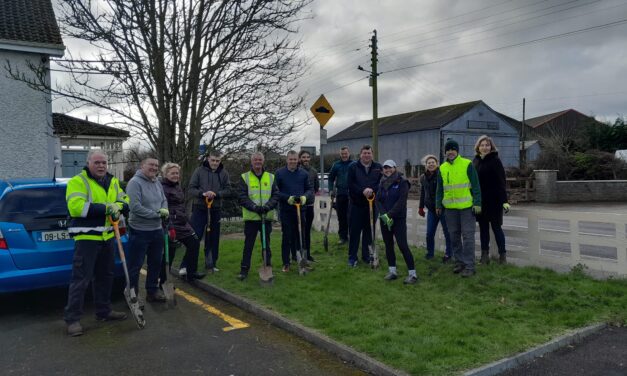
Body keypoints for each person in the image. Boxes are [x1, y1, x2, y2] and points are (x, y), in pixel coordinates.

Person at [64, 149, 129, 336]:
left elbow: (125, 199)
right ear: (88, 163)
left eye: (104, 163)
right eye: (97, 162)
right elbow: (76, 207)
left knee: (105, 277)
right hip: (87, 239)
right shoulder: (78, 181)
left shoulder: (113, 181)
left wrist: (120, 205)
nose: (101, 166)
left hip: (108, 237)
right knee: (81, 280)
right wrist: (108, 208)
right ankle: (72, 319)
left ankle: (104, 311)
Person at [435, 139, 481, 277]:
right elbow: (439, 189)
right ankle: (459, 262)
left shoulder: (467, 164)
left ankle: (469, 266)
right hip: (450, 209)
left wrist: (477, 202)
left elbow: (476, 185)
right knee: (454, 236)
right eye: (448, 150)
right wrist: (438, 204)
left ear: (457, 150)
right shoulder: (442, 168)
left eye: (452, 149)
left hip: (467, 208)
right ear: (445, 152)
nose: (450, 152)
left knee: (468, 236)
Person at [126, 157, 169, 302]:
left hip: (157, 230)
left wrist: (164, 210)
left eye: (156, 165)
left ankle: (152, 291)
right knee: (135, 265)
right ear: (142, 165)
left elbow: (163, 200)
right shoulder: (134, 183)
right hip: (139, 230)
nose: (154, 167)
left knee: (155, 263)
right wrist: (156, 215)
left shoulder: (157, 181)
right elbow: (135, 207)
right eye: (151, 164)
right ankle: (133, 295)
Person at [160, 162, 206, 282]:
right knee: (170, 253)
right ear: (165, 174)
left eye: (177, 173)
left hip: (182, 223)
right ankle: (163, 281)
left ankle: (191, 273)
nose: (176, 175)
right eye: (172, 173)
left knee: (194, 243)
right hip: (171, 225)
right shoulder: (162, 188)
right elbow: (164, 208)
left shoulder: (176, 186)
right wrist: (169, 226)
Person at [236, 152, 280, 280]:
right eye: (255, 160)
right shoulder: (245, 177)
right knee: (248, 245)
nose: (258, 162)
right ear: (251, 161)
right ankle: (244, 270)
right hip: (251, 218)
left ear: (263, 161)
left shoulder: (271, 177)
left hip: (266, 217)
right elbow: (242, 197)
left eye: (260, 160)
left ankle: (268, 267)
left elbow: (275, 195)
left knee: (266, 244)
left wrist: (267, 206)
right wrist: (254, 207)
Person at [188, 150, 232, 272]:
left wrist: (216, 194)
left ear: (220, 161)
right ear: (208, 159)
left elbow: (228, 190)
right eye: (213, 160)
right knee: (194, 236)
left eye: (217, 161)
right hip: (200, 208)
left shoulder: (224, 173)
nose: (215, 163)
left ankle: (211, 263)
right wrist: (203, 194)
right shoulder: (199, 171)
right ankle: (187, 264)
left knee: (213, 237)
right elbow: (191, 188)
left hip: (215, 209)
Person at [376, 160, 418, 284]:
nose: (387, 170)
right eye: (385, 168)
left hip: (398, 218)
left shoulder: (402, 182)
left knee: (402, 245)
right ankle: (392, 271)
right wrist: (384, 215)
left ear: (395, 168)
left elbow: (401, 202)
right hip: (385, 220)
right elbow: (378, 200)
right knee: (388, 245)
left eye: (390, 168)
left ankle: (413, 274)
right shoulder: (382, 182)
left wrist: (389, 215)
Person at [473, 135, 510, 265]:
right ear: (478, 147)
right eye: (482, 145)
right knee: (483, 229)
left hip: (494, 201)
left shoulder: (495, 160)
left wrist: (504, 201)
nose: (484, 147)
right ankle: (484, 256)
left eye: (487, 145)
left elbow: (501, 182)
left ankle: (503, 257)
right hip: (480, 202)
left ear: (491, 147)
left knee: (496, 228)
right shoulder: (475, 161)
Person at [275, 150, 313, 272]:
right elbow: (275, 192)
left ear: (298, 160)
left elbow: (309, 189)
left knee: (301, 235)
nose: (293, 161)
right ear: (287, 160)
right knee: (287, 236)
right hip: (286, 210)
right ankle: (286, 262)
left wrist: (304, 197)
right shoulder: (280, 173)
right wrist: (287, 198)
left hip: (300, 209)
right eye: (290, 159)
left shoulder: (303, 173)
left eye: (295, 159)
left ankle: (302, 260)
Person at [347, 145, 382, 267]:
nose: (367, 155)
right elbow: (350, 184)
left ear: (372, 154)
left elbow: (381, 183)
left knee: (369, 232)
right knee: (354, 232)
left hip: (372, 206)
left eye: (369, 153)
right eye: (364, 153)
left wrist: (372, 190)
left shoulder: (378, 167)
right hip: (356, 205)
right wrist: (362, 190)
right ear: (360, 154)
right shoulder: (353, 167)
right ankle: (352, 257)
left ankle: (367, 256)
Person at [418, 154, 452, 262]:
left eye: (433, 162)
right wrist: (421, 207)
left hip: (443, 208)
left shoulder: (441, 174)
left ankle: (448, 254)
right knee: (429, 233)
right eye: (429, 163)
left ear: (437, 164)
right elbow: (423, 192)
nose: (431, 164)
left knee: (447, 233)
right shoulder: (423, 177)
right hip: (431, 210)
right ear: (426, 165)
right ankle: (430, 253)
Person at [298, 150, 320, 261]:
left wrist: (310, 195)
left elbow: (316, 187)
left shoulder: (314, 171)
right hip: (299, 206)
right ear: (300, 158)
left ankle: (308, 254)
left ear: (310, 158)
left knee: (307, 230)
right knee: (299, 230)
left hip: (310, 205)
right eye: (303, 157)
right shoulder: (297, 171)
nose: (306, 159)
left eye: (307, 157)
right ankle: (298, 254)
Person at [328, 146, 352, 244]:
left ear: (349, 153)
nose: (344, 155)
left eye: (346, 153)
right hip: (340, 194)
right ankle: (343, 237)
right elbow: (330, 178)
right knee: (341, 217)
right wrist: (330, 190)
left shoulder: (354, 164)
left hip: (352, 195)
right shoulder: (336, 165)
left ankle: (352, 236)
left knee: (351, 217)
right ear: (340, 154)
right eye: (342, 154)